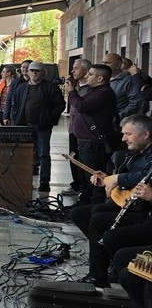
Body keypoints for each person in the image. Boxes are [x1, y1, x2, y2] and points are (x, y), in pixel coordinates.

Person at [70, 114, 152, 287]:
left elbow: (143, 176)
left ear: (145, 134)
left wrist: (118, 179)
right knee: (81, 213)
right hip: (134, 205)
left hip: (144, 212)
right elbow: (135, 181)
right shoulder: (137, 153)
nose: (123, 138)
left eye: (128, 134)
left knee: (100, 220)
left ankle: (100, 275)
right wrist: (108, 180)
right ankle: (104, 264)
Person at [7, 61, 66, 193]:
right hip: (24, 126)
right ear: (27, 72)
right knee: (25, 153)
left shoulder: (51, 87)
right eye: (31, 70)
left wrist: (48, 119)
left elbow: (59, 105)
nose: (34, 73)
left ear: (43, 73)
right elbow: (14, 104)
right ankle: (24, 180)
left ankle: (44, 182)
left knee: (43, 154)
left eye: (37, 70)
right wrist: (15, 119)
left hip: (42, 126)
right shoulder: (21, 88)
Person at [66, 64, 117, 205]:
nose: (87, 76)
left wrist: (71, 92)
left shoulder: (104, 93)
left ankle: (94, 204)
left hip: (93, 142)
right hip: (85, 140)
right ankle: (85, 201)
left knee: (94, 176)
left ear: (100, 78)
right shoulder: (95, 91)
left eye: (90, 74)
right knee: (84, 175)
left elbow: (82, 106)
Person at [67, 59, 94, 191]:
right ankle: (76, 185)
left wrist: (71, 91)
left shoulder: (91, 89)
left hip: (84, 131)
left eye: (76, 68)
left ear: (85, 71)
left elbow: (82, 107)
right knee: (73, 157)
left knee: (84, 161)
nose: (73, 71)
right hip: (73, 128)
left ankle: (86, 190)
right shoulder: (75, 85)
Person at [104, 53, 146, 123]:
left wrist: (117, 117)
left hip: (120, 123)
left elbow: (135, 103)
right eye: (102, 62)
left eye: (107, 63)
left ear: (118, 65)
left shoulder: (129, 80)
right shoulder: (103, 79)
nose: (103, 65)